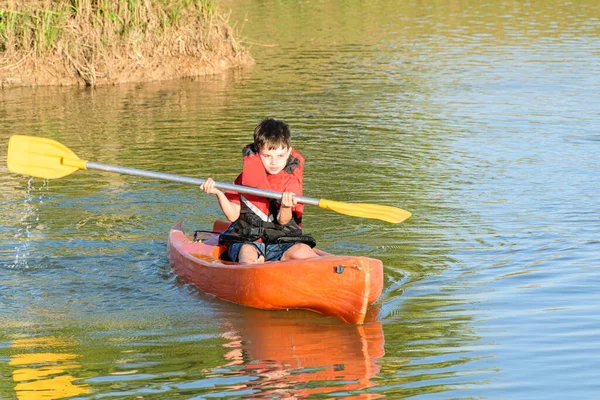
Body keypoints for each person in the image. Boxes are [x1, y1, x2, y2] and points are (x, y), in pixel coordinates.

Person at [200, 118, 317, 264]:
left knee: (302, 250)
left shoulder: (291, 181)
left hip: (281, 242)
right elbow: (232, 215)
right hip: (247, 240)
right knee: (247, 252)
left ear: (288, 153)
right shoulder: (244, 179)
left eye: (280, 156)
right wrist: (218, 193)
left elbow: (283, 220)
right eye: (267, 156)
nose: (274, 162)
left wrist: (286, 206)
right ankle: (253, 267)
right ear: (258, 152)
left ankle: (331, 269)